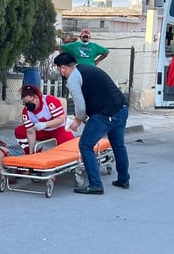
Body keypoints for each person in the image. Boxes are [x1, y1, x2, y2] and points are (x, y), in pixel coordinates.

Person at [54, 52, 130, 195]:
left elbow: (80, 106)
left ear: (63, 68)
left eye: (59, 69)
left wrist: (77, 120)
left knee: (85, 145)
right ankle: (123, 179)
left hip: (106, 113)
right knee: (118, 145)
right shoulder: (87, 68)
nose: (60, 72)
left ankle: (95, 184)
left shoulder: (73, 78)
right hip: (121, 108)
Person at [15, 85, 74, 154]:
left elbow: (60, 119)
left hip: (59, 129)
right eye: (25, 104)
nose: (27, 106)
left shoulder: (49, 100)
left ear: (36, 98)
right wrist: (31, 151)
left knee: (70, 148)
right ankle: (30, 153)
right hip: (43, 132)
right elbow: (30, 132)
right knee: (19, 131)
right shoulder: (26, 111)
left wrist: (45, 124)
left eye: (29, 103)